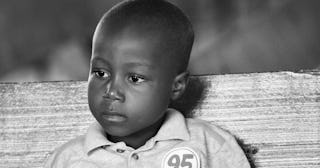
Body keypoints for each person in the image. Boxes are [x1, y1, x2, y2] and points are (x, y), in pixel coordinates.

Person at [44, 0, 250, 167]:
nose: (111, 91)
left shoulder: (209, 145)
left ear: (176, 86)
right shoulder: (67, 160)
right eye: (100, 73)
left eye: (134, 78)